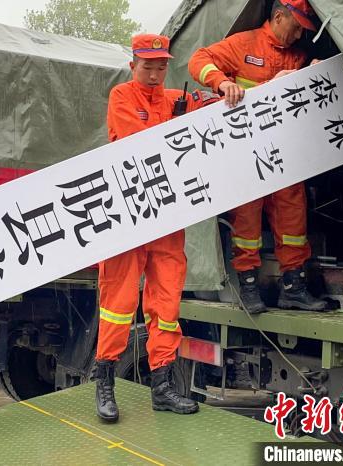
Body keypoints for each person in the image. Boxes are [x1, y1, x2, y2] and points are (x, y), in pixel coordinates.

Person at [94, 33, 220, 422]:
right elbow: (140, 143)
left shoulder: (177, 100)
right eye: (148, 66)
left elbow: (224, 104)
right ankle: (105, 386)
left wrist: (229, 88)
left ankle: (162, 388)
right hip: (129, 223)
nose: (154, 74)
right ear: (133, 65)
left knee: (166, 308)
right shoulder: (121, 96)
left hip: (167, 225)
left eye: (161, 66)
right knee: (118, 307)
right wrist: (180, 124)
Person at [188, 0, 327, 314]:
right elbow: (198, 60)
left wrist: (315, 72)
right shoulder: (244, 44)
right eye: (296, 28)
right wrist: (223, 82)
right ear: (278, 17)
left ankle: (294, 288)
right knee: (247, 219)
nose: (298, 36)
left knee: (293, 220)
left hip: (287, 155)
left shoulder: (298, 56)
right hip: (248, 155)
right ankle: (249, 287)